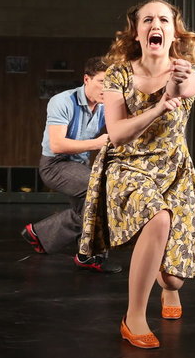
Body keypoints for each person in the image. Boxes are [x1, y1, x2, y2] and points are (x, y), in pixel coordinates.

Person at [79, 0, 195, 349]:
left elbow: (188, 89)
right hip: (128, 164)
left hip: (173, 169)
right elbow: (118, 133)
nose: (156, 24)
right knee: (158, 218)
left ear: (173, 33)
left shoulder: (188, 72)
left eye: (164, 20)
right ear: (137, 33)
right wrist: (158, 105)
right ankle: (133, 317)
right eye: (148, 19)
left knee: (173, 279)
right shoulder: (117, 76)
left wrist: (174, 90)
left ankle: (168, 289)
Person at [20, 57, 121, 273]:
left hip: (79, 164)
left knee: (88, 208)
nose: (107, 89)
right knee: (99, 190)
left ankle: (40, 233)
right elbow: (57, 145)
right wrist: (98, 142)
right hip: (55, 165)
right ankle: (89, 255)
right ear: (86, 79)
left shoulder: (106, 106)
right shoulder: (62, 101)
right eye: (102, 82)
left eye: (111, 83)